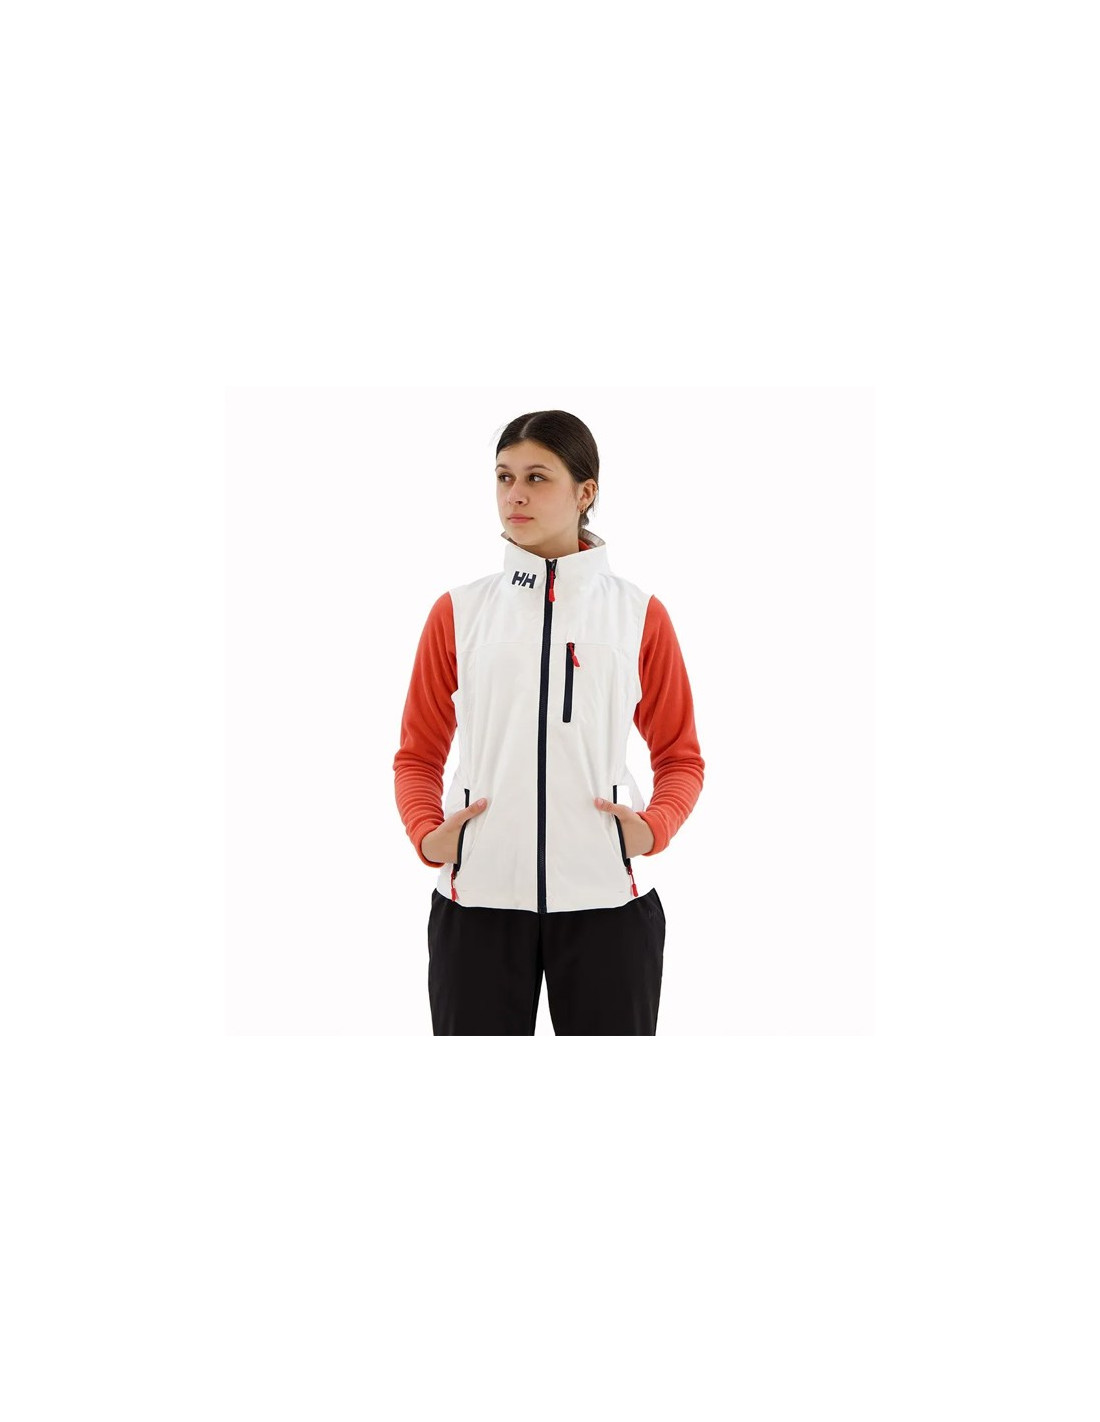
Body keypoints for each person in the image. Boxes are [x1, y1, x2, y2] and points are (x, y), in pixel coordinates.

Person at [392, 409, 705, 1035]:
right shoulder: (459, 612)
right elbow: (418, 755)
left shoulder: (638, 615)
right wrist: (427, 834)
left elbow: (680, 757)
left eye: (537, 477)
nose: (515, 494)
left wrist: (653, 828)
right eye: (504, 476)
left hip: (605, 906)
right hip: (478, 905)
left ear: (585, 492)